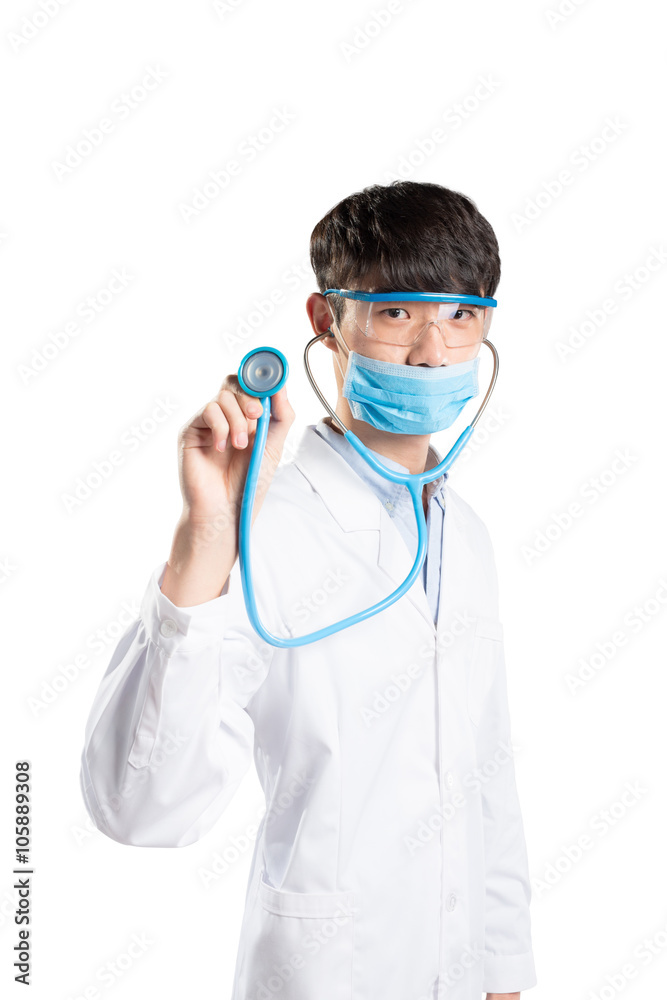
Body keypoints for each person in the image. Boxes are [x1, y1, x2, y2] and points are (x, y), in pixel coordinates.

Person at [79, 180, 537, 1000]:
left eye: (461, 316)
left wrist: (502, 973)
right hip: (329, 975)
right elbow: (140, 809)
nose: (434, 351)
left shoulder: (466, 535)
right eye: (398, 313)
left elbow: (485, 779)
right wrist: (207, 539)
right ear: (326, 322)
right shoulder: (268, 531)